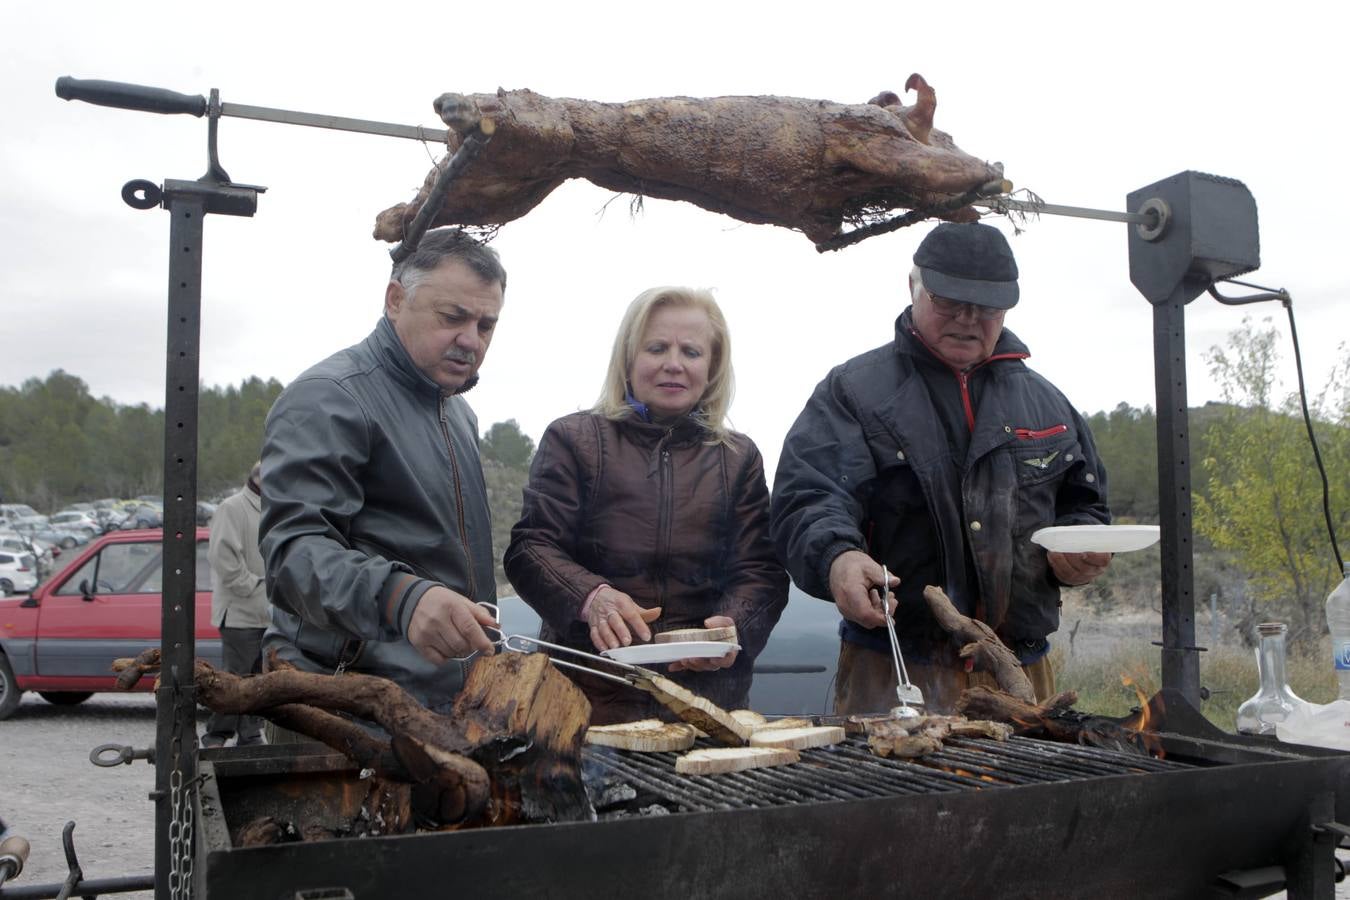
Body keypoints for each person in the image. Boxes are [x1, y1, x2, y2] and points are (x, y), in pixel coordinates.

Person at [770, 222, 1111, 715]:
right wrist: (836, 558)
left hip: (1022, 672)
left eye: (988, 308)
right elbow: (808, 499)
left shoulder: (1049, 403)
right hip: (891, 670)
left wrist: (1081, 546)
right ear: (913, 287)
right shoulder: (853, 393)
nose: (968, 319)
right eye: (949, 301)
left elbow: (1086, 507)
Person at [505, 286, 788, 724]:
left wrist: (733, 629)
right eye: (656, 347)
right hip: (587, 700)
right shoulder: (574, 439)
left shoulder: (739, 457)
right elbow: (531, 548)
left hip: (704, 705)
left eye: (691, 351)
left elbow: (761, 571)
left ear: (711, 367)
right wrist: (590, 597)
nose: (673, 363)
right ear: (628, 358)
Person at [259, 228, 504, 713]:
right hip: (346, 702)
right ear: (396, 299)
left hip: (445, 699)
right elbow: (293, 555)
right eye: (453, 317)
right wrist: (402, 598)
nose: (470, 340)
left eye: (486, 325)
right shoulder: (330, 397)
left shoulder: (458, 413)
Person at [202, 461, 268, 748]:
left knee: (258, 679)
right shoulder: (232, 507)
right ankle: (217, 735)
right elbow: (222, 558)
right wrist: (253, 586)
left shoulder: (273, 508)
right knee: (235, 678)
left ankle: (250, 733)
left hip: (266, 612)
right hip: (240, 614)